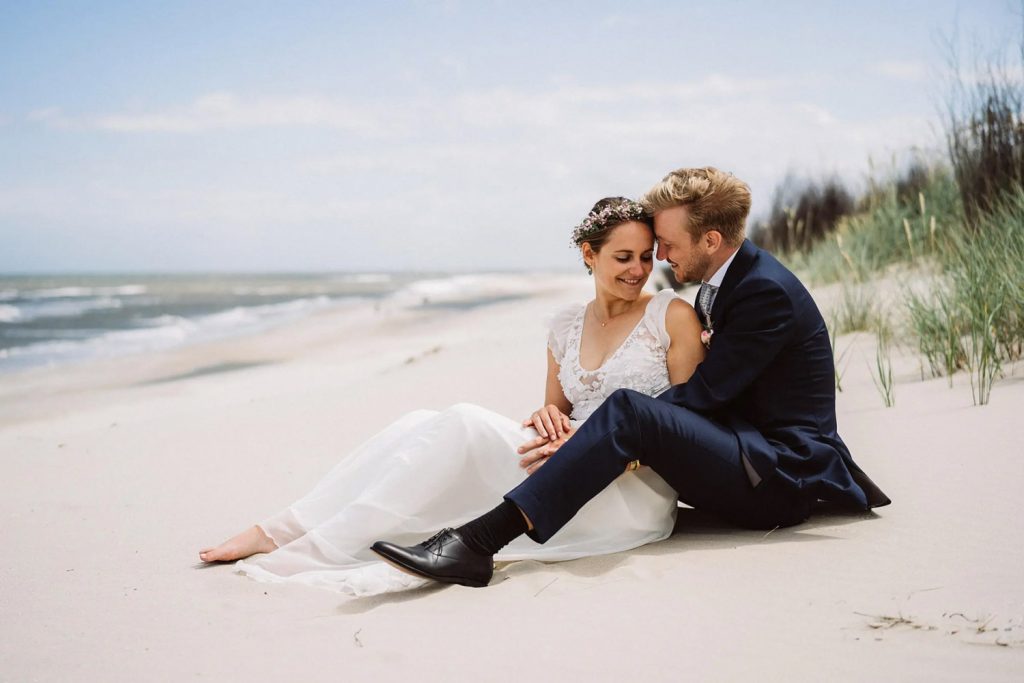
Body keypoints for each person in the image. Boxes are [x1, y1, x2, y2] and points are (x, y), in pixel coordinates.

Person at [371, 167, 891, 588]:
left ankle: (477, 543)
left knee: (627, 410)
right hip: (748, 453)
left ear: (711, 239)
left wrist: (594, 437)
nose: (658, 258)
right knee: (614, 417)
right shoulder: (734, 280)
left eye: (665, 244)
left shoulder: (764, 290)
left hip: (780, 477)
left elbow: (705, 394)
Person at [199, 197, 706, 596]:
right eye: (623, 257)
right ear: (589, 255)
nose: (638, 270)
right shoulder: (566, 325)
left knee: (463, 419)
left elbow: (687, 426)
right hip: (558, 471)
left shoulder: (670, 315)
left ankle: (313, 545)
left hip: (629, 495)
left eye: (646, 257)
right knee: (416, 421)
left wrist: (591, 448)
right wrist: (549, 417)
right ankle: (283, 529)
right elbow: (557, 410)